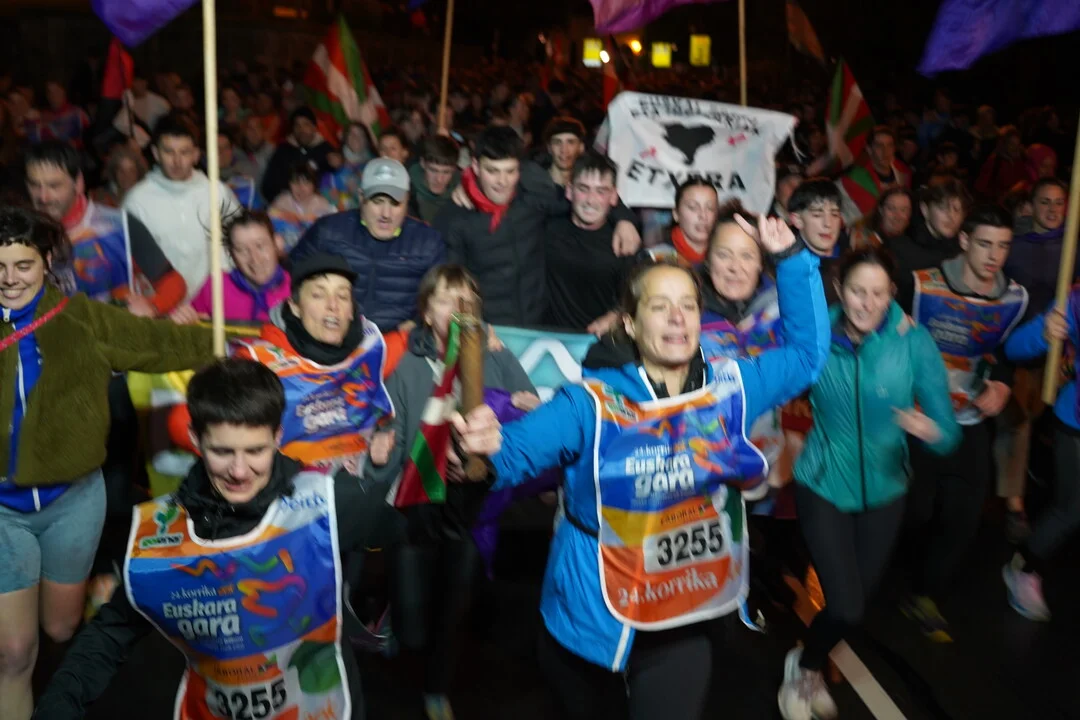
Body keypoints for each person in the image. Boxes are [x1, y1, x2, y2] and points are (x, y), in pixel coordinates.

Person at [451, 214, 829, 720]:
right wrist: (476, 451)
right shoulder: (590, 405)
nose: (677, 318)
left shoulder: (732, 388)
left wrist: (793, 261)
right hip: (592, 620)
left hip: (682, 616)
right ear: (630, 323)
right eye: (659, 306)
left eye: (688, 305)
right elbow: (509, 455)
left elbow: (807, 356)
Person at [33, 358, 388, 720]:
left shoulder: (326, 502)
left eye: (255, 451)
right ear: (195, 440)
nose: (239, 471)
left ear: (278, 437)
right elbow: (110, 635)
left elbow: (414, 528)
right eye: (222, 451)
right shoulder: (165, 536)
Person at [0, 207, 214, 720]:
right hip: (4, 513)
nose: (9, 279)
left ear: (46, 261)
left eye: (23, 265)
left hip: (73, 502)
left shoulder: (84, 319)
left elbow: (159, 343)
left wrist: (223, 337)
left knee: (60, 628)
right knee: (13, 652)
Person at [776, 247, 960, 720]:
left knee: (852, 606)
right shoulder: (817, 334)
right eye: (858, 291)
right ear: (840, 289)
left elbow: (949, 432)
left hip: (886, 490)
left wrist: (932, 432)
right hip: (822, 483)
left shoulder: (913, 342)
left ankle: (808, 659)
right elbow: (777, 351)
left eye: (879, 293)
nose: (868, 303)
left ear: (892, 293)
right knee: (847, 607)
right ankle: (805, 670)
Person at [367, 264, 538, 720]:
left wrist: (529, 407)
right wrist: (378, 451)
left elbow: (528, 425)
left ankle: (436, 690)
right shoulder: (408, 366)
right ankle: (395, 617)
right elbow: (392, 437)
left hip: (472, 512)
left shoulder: (497, 358)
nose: (457, 309)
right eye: (445, 299)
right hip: (416, 508)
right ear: (426, 313)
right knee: (413, 629)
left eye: (467, 300)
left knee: (453, 612)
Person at [902, 205, 1028, 641]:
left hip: (969, 420)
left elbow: (1007, 352)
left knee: (963, 516)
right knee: (916, 511)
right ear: (964, 241)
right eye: (985, 244)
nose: (994, 256)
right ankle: (887, 576)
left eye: (1003, 246)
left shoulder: (1014, 298)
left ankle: (924, 595)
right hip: (917, 417)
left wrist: (1003, 383)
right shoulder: (920, 284)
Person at [436, 126, 640, 327]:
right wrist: (473, 330)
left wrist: (624, 218)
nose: (502, 181)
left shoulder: (533, 200)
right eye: (492, 171)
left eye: (510, 171)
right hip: (489, 330)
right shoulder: (455, 218)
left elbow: (586, 200)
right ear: (475, 167)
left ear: (520, 169)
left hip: (538, 328)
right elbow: (451, 288)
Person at [229, 253, 396, 476]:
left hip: (356, 481)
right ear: (295, 307)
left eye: (343, 296)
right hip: (285, 486)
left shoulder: (370, 347)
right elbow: (199, 422)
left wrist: (382, 437)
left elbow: (413, 342)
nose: (333, 306)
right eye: (318, 295)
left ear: (351, 311)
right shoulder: (257, 362)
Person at [25, 141, 186, 315]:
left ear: (78, 183)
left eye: (54, 186)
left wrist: (153, 306)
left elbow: (173, 282)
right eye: (35, 185)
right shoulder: (21, 234)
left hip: (115, 329)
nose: (43, 197)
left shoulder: (118, 226)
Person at [290, 158, 446, 333]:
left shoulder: (428, 243)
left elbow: (443, 298)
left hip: (401, 341)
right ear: (361, 197)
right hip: (333, 335)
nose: (386, 214)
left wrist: (418, 323)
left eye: (395, 203)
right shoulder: (328, 232)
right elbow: (292, 277)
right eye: (377, 201)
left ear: (407, 200)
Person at [1001, 292, 1080, 620]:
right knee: (1071, 510)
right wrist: (1046, 332)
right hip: (1075, 424)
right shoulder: (1076, 301)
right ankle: (1024, 568)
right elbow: (1014, 348)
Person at [123, 113, 241, 302]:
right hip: (163, 308)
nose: (177, 161)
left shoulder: (218, 193)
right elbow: (130, 266)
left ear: (196, 154)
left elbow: (238, 245)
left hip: (215, 305)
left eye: (184, 152)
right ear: (155, 153)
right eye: (169, 152)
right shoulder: (136, 201)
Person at [544, 152, 643, 333]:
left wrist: (615, 316)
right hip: (547, 340)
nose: (591, 200)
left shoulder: (624, 241)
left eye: (601, 191)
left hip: (602, 342)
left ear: (613, 196)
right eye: (583, 189)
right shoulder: (546, 228)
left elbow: (635, 296)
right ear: (569, 191)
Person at [170, 210, 291, 324]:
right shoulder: (217, 287)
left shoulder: (295, 289)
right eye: (241, 250)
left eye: (260, 246)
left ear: (277, 243)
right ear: (231, 255)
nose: (255, 259)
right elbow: (186, 319)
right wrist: (184, 318)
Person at [891, 178, 969, 312]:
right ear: (925, 210)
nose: (951, 216)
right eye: (943, 208)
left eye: (957, 210)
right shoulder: (899, 248)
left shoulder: (964, 253)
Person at [787, 179, 848, 302]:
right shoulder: (791, 269)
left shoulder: (849, 258)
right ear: (797, 220)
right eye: (817, 215)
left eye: (834, 214)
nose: (828, 224)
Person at [837, 125, 911, 226]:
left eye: (890, 145)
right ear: (869, 149)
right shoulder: (853, 179)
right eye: (879, 146)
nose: (885, 151)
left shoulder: (904, 174)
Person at [261, 106, 336, 204]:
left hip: (319, 205)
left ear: (314, 127)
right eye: (297, 125)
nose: (302, 129)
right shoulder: (283, 150)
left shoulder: (326, 150)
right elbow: (268, 186)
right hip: (287, 206)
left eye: (306, 124)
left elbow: (335, 181)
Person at [649, 177, 720, 266]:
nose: (703, 216)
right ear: (676, 214)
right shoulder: (657, 257)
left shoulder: (724, 257)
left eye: (710, 208)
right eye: (693, 207)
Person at [269, 161, 334, 253]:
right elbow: (269, 217)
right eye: (295, 182)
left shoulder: (321, 204)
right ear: (289, 184)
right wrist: (284, 215)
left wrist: (299, 218)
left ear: (313, 185)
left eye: (306, 183)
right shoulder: (283, 201)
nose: (300, 188)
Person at [322, 122, 375, 211]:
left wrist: (356, 191)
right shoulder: (334, 160)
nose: (356, 138)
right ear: (345, 138)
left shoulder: (374, 164)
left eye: (360, 134)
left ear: (366, 139)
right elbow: (323, 190)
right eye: (352, 134)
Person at [408, 135, 461, 223]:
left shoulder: (465, 194)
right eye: (433, 170)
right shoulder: (406, 191)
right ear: (422, 163)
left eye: (446, 172)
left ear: (454, 169)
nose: (439, 179)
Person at [849, 187, 913, 251]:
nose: (897, 216)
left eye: (903, 210)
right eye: (891, 208)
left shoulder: (912, 244)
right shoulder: (862, 238)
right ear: (881, 210)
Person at [543, 116, 586, 188]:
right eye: (557, 142)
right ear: (549, 148)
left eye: (571, 142)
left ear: (581, 147)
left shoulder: (586, 187)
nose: (564, 150)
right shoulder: (532, 184)